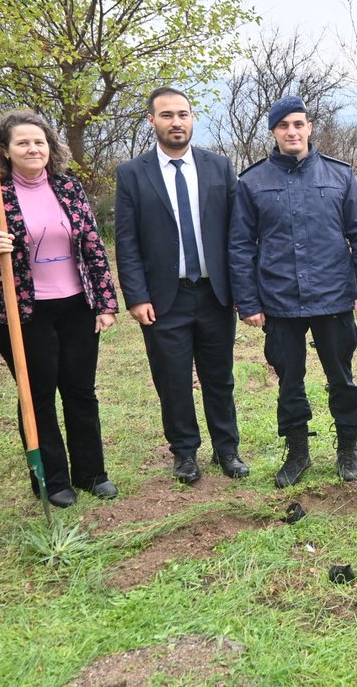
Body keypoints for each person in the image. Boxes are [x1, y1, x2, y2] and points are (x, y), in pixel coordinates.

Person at [0, 110, 119, 507]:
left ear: (51, 147)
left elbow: (93, 248)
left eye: (39, 142)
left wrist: (104, 302)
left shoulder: (68, 188)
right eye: (22, 143)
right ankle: (52, 481)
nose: (33, 149)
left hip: (76, 306)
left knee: (81, 391)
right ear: (6, 150)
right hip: (23, 312)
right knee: (38, 395)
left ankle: (92, 473)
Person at [230, 95, 357, 487]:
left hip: (333, 297)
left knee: (341, 377)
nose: (292, 132)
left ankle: (347, 449)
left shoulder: (339, 175)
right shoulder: (253, 181)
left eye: (298, 124)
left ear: (309, 128)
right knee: (289, 382)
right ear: (274, 132)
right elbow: (240, 246)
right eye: (283, 126)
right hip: (279, 300)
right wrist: (249, 301)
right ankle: (297, 452)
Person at [115, 87, 246, 484]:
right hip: (163, 298)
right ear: (152, 121)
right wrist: (136, 296)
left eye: (183, 114)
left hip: (214, 294)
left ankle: (228, 450)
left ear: (192, 119)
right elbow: (127, 241)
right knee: (172, 379)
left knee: (219, 376)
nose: (177, 122)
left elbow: (237, 234)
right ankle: (185, 453)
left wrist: (242, 291)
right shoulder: (132, 174)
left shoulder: (219, 167)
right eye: (167, 115)